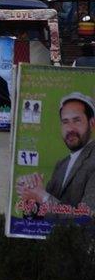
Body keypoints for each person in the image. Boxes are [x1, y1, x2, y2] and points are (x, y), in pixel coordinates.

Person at [15, 92, 95, 220]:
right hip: (54, 239)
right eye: (65, 122)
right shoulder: (61, 165)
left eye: (77, 120)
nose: (70, 128)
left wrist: (42, 196)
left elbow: (87, 219)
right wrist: (30, 198)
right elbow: (42, 214)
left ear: (92, 123)